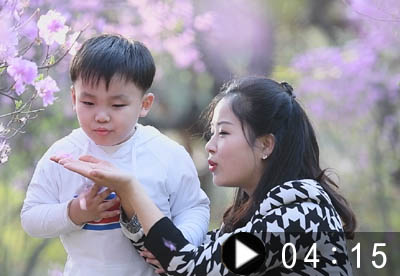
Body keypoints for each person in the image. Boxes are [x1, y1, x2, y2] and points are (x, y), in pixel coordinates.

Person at [52, 76, 356, 275]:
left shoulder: (300, 215)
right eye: (212, 134)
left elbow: (190, 265)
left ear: (266, 144)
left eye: (223, 133)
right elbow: (168, 251)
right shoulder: (251, 220)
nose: (209, 146)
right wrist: (126, 200)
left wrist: (131, 188)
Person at [20, 34, 210, 276]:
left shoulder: (166, 152)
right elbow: (31, 217)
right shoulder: (62, 155)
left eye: (117, 105)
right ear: (74, 97)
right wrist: (75, 211)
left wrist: (179, 244)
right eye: (88, 103)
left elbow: (194, 208)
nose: (101, 115)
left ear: (145, 104)